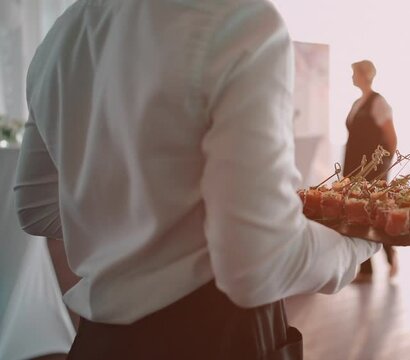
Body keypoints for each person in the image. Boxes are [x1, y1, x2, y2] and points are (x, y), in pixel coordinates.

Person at [13, 1, 380, 359]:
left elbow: (36, 206)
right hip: (215, 336)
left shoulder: (64, 32)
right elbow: (258, 263)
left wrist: (135, 226)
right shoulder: (240, 19)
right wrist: (361, 242)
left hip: (100, 340)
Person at [343, 60, 398, 283]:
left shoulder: (379, 102)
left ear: (365, 75)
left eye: (354, 73)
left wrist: (382, 169)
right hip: (354, 166)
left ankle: (391, 255)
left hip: (373, 169)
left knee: (376, 212)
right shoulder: (357, 103)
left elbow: (391, 139)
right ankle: (366, 269)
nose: (352, 77)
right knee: (357, 213)